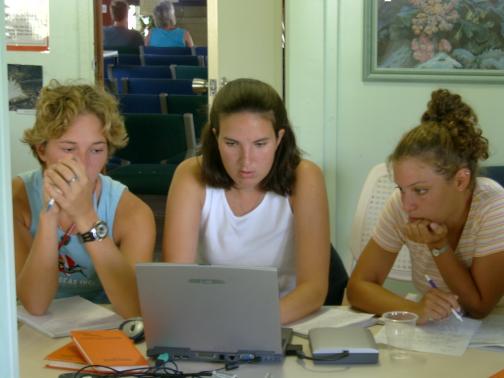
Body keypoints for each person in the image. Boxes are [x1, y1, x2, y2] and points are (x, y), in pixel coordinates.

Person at [163, 78, 330, 324]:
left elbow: (313, 290)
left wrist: (248, 323)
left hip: (283, 316)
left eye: (260, 144)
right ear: (215, 136)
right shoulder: (190, 175)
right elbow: (177, 280)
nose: (246, 162)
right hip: (209, 314)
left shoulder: (305, 177)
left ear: (279, 138)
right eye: (231, 144)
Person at [347, 89, 504, 324]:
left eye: (421, 190)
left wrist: (438, 246)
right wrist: (415, 309)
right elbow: (358, 288)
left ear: (461, 180)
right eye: (401, 188)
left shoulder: (494, 208)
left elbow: (478, 307)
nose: (407, 204)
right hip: (441, 331)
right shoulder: (400, 206)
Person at [13, 81, 156, 319]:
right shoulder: (15, 199)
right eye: (69, 149)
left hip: (106, 322)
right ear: (41, 150)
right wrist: (49, 218)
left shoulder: (133, 212)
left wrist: (86, 217)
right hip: (32, 325)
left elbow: (134, 308)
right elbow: (35, 304)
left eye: (97, 150)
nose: (83, 163)